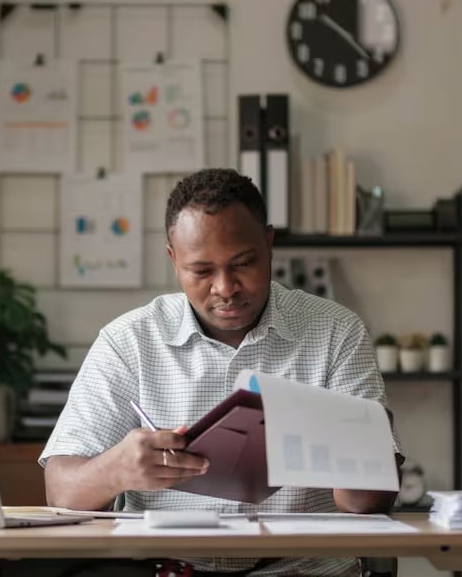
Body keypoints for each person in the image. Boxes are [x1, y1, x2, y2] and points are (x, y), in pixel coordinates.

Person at [40, 168, 404, 576]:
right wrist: (116, 469)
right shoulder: (128, 341)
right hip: (170, 570)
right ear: (173, 259)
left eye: (243, 263)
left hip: (305, 570)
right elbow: (61, 490)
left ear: (268, 244)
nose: (226, 287)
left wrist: (360, 451)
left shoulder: (337, 331)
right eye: (202, 271)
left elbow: (367, 504)